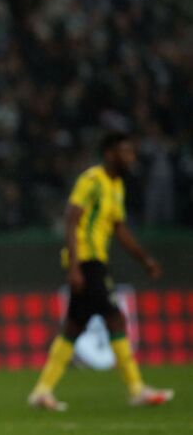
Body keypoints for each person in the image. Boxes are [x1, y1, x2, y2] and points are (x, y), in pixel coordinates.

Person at [29, 131, 173, 411]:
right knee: (115, 319)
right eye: (125, 152)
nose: (131, 158)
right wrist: (74, 266)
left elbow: (119, 229)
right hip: (87, 261)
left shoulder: (116, 186)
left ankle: (42, 391)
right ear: (110, 153)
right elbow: (71, 218)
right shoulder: (92, 180)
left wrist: (144, 259)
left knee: (73, 328)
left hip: (94, 262)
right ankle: (136, 388)